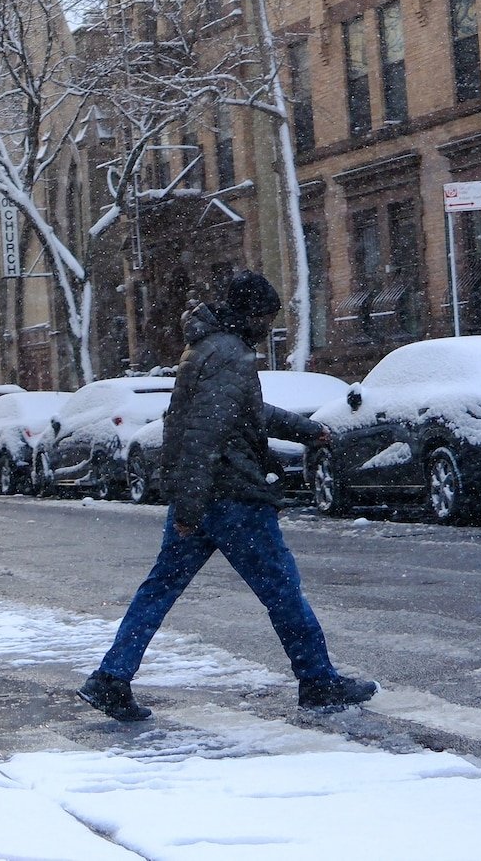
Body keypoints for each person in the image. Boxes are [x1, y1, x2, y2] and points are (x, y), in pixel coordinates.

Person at [78, 270, 377, 722]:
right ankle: (317, 680)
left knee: (160, 590)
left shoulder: (210, 348)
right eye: (268, 315)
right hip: (229, 497)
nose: (269, 325)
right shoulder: (228, 355)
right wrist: (191, 508)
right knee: (282, 590)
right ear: (251, 313)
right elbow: (201, 433)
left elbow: (244, 411)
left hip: (205, 495)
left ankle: (112, 678)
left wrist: (307, 429)